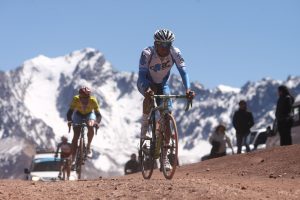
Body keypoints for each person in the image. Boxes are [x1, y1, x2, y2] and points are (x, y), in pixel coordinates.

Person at [137, 29, 195, 170]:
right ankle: (145, 125)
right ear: (156, 44)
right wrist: (147, 88)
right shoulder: (147, 53)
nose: (165, 48)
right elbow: (142, 75)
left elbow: (184, 72)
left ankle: (164, 158)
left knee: (167, 115)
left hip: (163, 84)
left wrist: (187, 89)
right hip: (146, 82)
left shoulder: (175, 52)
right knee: (150, 95)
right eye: (162, 45)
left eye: (168, 44)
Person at [66, 86, 102, 161]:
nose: (85, 100)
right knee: (76, 136)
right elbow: (69, 112)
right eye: (83, 98)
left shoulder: (93, 100)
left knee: (91, 125)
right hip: (78, 115)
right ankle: (73, 157)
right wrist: (69, 120)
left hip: (89, 114)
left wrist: (97, 122)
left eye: (87, 98)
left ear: (89, 97)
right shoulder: (75, 99)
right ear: (79, 97)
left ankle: (88, 146)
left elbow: (98, 115)